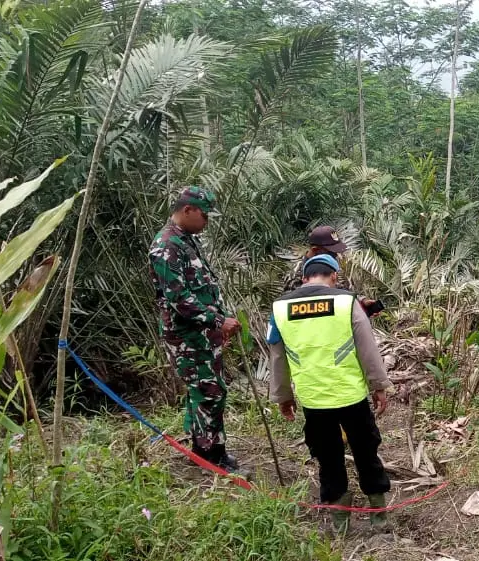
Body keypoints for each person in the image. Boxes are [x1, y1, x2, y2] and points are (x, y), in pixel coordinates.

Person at [267, 254, 393, 532]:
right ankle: (379, 516)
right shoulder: (346, 302)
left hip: (313, 400)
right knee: (365, 451)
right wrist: (379, 386)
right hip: (351, 395)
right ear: (334, 277)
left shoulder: (280, 308)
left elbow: (278, 357)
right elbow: (367, 349)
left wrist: (283, 396)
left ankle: (340, 523)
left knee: (328, 457)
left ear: (304, 278)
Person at [149, 186, 241, 470]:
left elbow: (200, 289)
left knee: (204, 390)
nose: (207, 222)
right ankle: (210, 456)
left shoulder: (185, 240)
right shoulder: (166, 245)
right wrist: (217, 321)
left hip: (201, 334)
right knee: (209, 391)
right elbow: (178, 299)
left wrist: (218, 323)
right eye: (204, 215)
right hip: (188, 336)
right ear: (187, 210)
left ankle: (205, 448)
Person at [283, 225, 383, 317]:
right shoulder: (296, 273)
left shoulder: (333, 266)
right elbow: (294, 305)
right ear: (316, 250)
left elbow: (343, 290)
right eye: (331, 252)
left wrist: (361, 303)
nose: (336, 255)